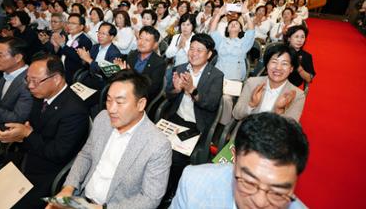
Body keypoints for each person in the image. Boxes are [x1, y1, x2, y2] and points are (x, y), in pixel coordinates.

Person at [47, 69, 172, 209]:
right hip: (81, 199)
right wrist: (68, 188)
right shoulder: (102, 118)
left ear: (141, 104)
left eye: (119, 102)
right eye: (108, 100)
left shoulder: (158, 145)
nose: (111, 109)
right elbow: (86, 155)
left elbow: (150, 199)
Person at [0, 54, 90, 209]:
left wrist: (26, 134)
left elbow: (58, 153)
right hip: (27, 156)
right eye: (28, 80)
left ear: (57, 79)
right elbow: (31, 128)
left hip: (47, 172)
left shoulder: (75, 110)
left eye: (35, 81)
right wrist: (16, 136)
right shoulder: (41, 97)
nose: (30, 86)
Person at [171, 112, 309, 209]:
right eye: (249, 182)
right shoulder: (194, 183)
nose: (259, 202)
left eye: (277, 192)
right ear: (234, 161)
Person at [162, 33, 224, 203]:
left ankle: (171, 192)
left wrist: (192, 90)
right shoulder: (181, 67)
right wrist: (175, 89)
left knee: (175, 157)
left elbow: (211, 104)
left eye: (199, 50)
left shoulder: (216, 75)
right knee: (152, 143)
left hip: (197, 124)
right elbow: (168, 95)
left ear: (209, 54)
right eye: (192, 48)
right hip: (175, 118)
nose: (194, 53)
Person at [233, 44, 305, 122]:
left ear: (291, 68)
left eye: (284, 64)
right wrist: (251, 105)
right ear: (267, 64)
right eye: (274, 62)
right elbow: (236, 114)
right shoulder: (252, 83)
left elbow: (290, 129)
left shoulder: (298, 95)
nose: (278, 68)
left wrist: (279, 111)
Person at [116, 26, 166, 101]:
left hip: (141, 99)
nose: (142, 42)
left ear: (155, 45)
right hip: (124, 91)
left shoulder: (159, 63)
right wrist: (120, 71)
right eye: (140, 38)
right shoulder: (132, 55)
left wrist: (130, 74)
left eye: (147, 40)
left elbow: (151, 90)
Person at [51, 13, 92, 84]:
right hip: (62, 72)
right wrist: (56, 47)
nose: (69, 25)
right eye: (68, 23)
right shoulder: (68, 37)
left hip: (73, 76)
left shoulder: (85, 40)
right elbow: (62, 53)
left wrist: (62, 45)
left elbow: (78, 58)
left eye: (73, 23)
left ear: (81, 26)